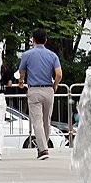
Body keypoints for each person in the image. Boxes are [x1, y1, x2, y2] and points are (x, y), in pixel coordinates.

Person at [17, 28, 62, 161]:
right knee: (46, 121)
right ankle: (43, 146)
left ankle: (43, 150)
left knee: (37, 121)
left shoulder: (27, 55)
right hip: (49, 89)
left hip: (34, 90)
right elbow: (59, 74)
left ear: (33, 40)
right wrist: (55, 85)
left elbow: (22, 72)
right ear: (46, 40)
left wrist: (21, 82)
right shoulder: (53, 55)